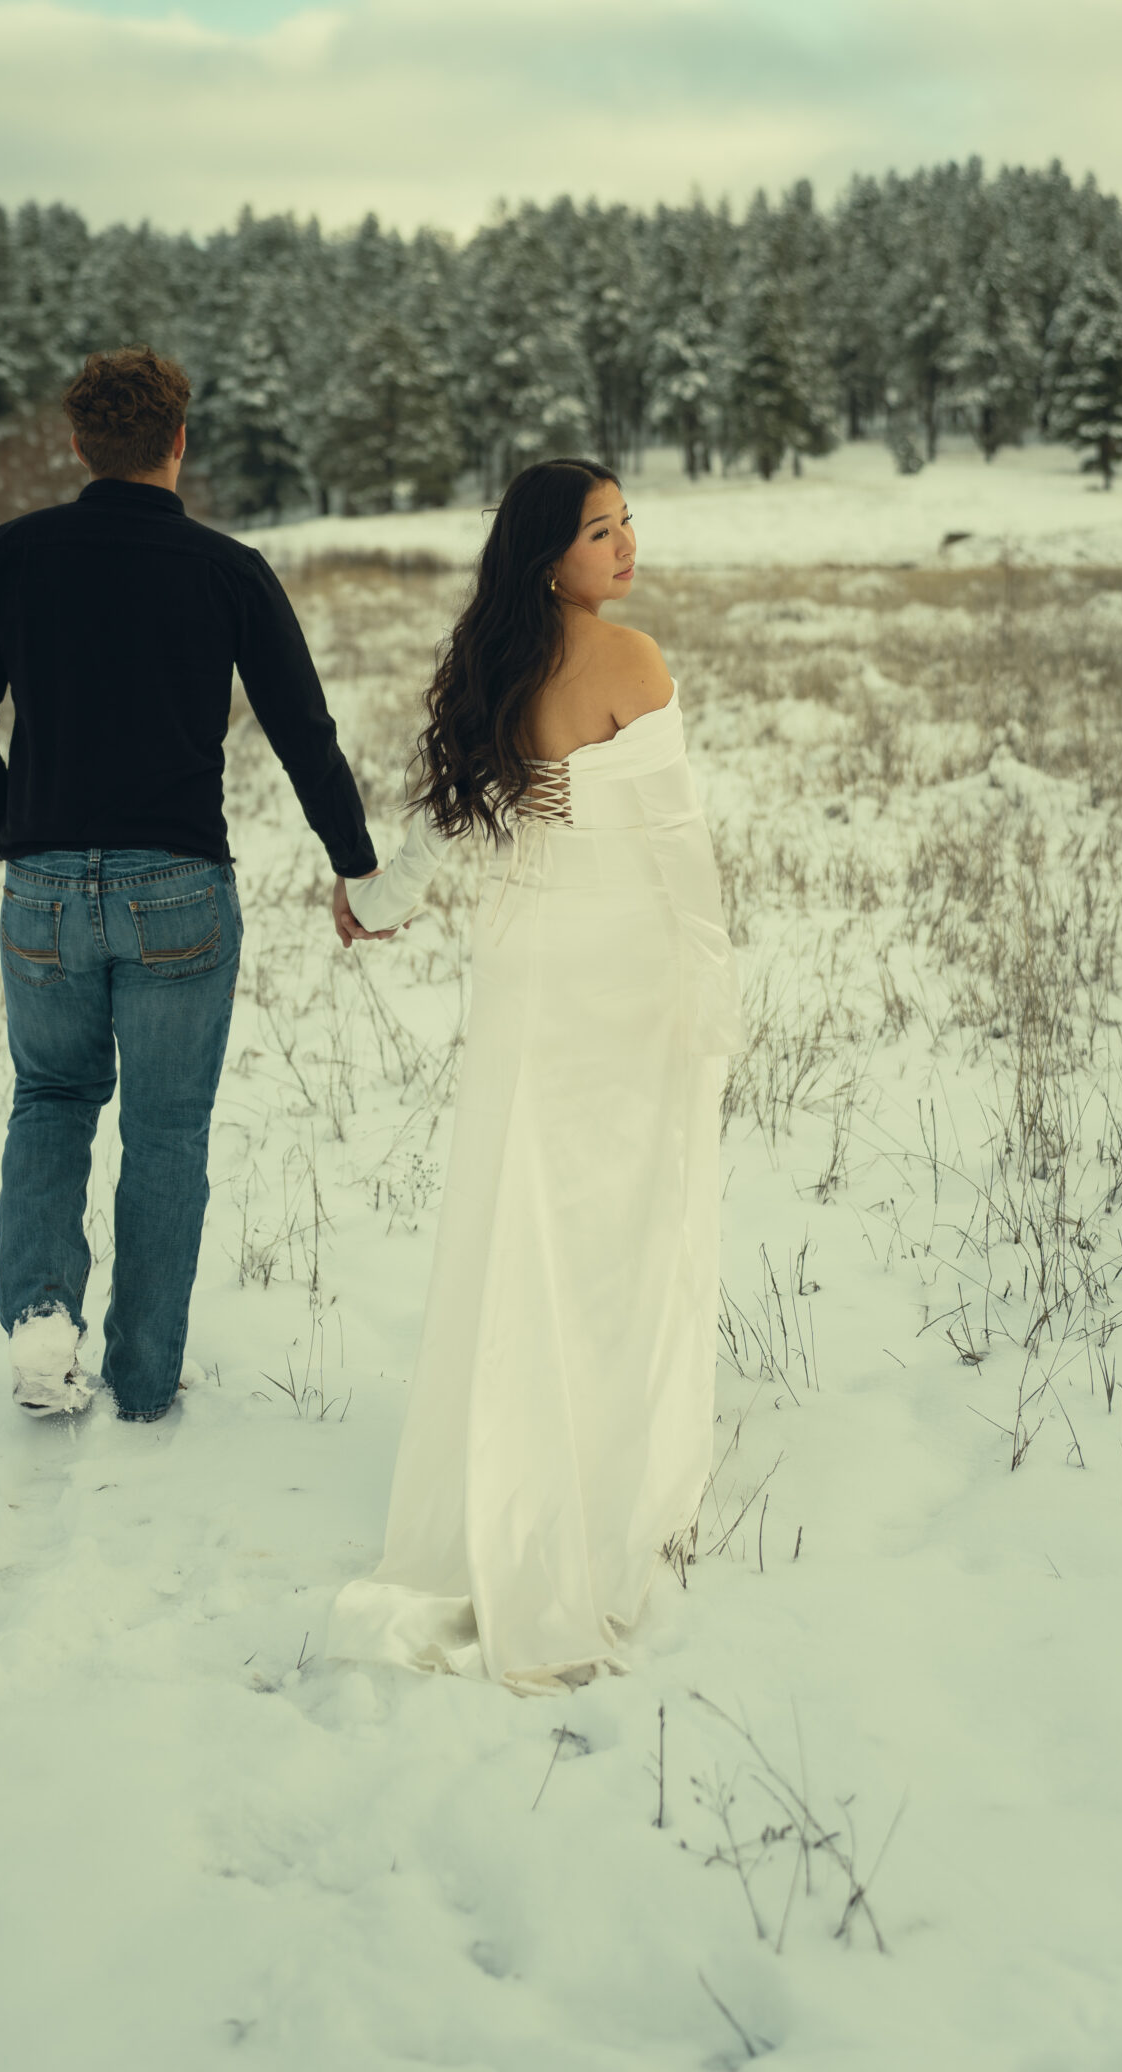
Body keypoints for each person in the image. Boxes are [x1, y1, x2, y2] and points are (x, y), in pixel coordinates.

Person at [327, 459, 744, 1691]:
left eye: (626, 523)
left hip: (529, 975)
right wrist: (710, 996)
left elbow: (439, 824)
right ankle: (607, 1462)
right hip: (623, 974)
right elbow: (680, 856)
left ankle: (519, 1443)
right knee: (624, 1220)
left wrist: (373, 904)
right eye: (599, 531)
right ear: (547, 554)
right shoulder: (634, 663)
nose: (624, 545)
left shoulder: (489, 665)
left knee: (530, 1217)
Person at [0, 345, 379, 1424]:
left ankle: (42, 1318)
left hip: (43, 883)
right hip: (176, 884)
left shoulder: (12, 555)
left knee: (49, 1098)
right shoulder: (228, 570)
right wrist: (355, 863)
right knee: (167, 1130)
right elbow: (300, 731)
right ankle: (140, 1374)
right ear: (180, 442)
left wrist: (20, 834)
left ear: (78, 443)